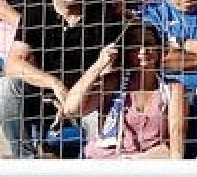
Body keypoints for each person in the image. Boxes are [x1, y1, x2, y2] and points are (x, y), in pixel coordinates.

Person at [0, 0, 127, 159]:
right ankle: (25, 164)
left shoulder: (105, 15)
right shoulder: (35, 13)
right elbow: (13, 64)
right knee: (5, 87)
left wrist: (75, 101)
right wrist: (54, 84)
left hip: (89, 100)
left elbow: (111, 76)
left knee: (100, 126)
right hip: (43, 99)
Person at [63, 23, 187, 160]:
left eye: (149, 44)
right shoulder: (113, 82)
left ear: (159, 50)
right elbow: (71, 109)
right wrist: (99, 65)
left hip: (148, 164)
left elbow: (176, 146)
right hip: (106, 161)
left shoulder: (173, 89)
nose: (143, 50)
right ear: (126, 52)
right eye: (135, 45)